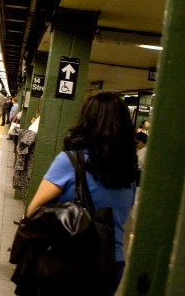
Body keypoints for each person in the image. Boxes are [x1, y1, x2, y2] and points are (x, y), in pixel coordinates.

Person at [26, 92, 137, 295]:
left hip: (70, 263)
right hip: (111, 265)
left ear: (87, 120)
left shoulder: (70, 161)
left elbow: (32, 212)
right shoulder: (129, 171)